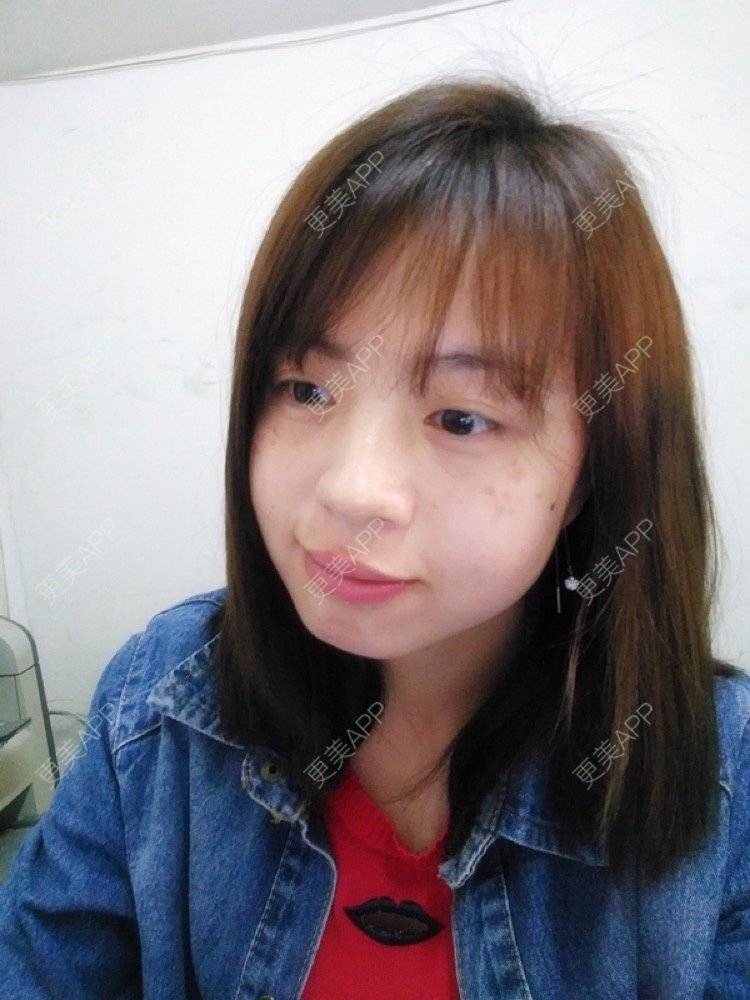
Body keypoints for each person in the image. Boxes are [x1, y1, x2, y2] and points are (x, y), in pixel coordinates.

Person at [1, 76, 749, 1000]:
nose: (352, 490)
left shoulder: (724, 775)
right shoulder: (158, 706)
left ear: (596, 467)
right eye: (307, 390)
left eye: (462, 418)